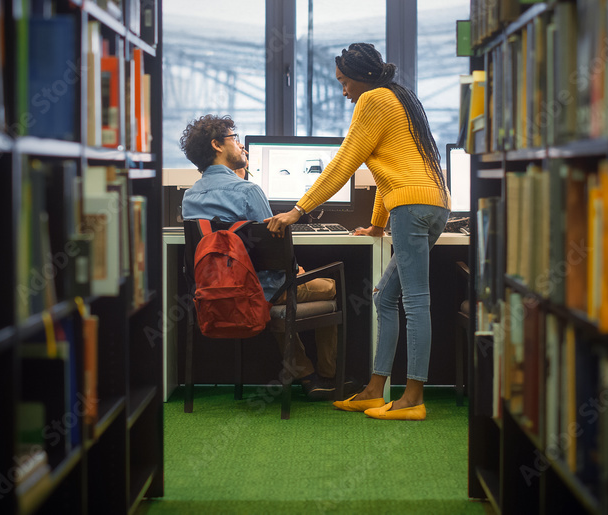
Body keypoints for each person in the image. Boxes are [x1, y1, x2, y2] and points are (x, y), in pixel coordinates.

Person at [266, 43, 449, 421]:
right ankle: (372, 390)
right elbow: (391, 170)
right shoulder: (398, 99)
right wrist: (378, 225)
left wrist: (298, 211)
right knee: (385, 299)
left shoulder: (373, 100)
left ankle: (413, 399)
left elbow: (343, 164)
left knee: (415, 302)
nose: (343, 90)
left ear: (359, 77)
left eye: (343, 82)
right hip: (431, 203)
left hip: (412, 207)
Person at [178, 114, 346, 401]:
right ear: (217, 145)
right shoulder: (248, 191)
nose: (243, 147)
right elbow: (275, 248)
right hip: (258, 292)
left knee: (280, 286)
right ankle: (327, 377)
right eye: (235, 139)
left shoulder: (190, 196)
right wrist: (295, 268)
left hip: (213, 292)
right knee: (328, 286)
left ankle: (306, 374)